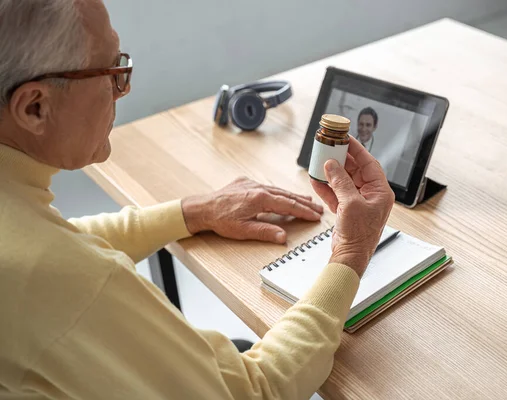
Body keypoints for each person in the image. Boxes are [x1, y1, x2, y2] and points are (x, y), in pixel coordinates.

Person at [0, 1, 395, 399]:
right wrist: (351, 251)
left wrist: (194, 212)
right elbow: (254, 392)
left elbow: (64, 239)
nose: (125, 87)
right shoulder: (66, 282)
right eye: (111, 72)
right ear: (35, 107)